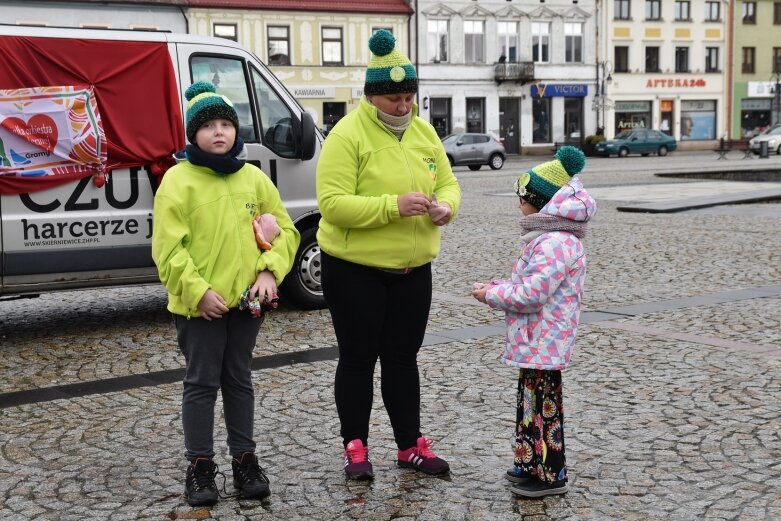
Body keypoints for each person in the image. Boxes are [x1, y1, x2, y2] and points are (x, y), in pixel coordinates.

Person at [316, 29, 462, 481]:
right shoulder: (347, 134)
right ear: (372, 97)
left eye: (409, 97)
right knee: (358, 358)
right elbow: (332, 203)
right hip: (354, 268)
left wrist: (445, 208)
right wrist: (390, 206)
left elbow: (449, 184)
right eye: (394, 98)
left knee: (403, 357)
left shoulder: (422, 132)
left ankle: (409, 445)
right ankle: (355, 446)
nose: (403, 106)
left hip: (413, 268)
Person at [152, 81, 300, 506]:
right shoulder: (178, 182)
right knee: (201, 383)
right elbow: (168, 249)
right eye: (209, 125)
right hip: (200, 308)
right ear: (192, 134)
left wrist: (270, 273)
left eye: (226, 124)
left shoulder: (253, 178)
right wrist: (197, 292)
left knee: (239, 379)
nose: (219, 132)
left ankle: (244, 459)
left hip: (246, 303)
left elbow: (285, 230)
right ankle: (200, 466)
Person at [471, 146, 596, 498]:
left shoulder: (554, 243)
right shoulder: (548, 238)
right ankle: (529, 461)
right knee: (530, 403)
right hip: (536, 339)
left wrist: (490, 295)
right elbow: (530, 287)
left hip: (543, 339)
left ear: (541, 202)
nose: (518, 204)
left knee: (544, 409)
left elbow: (531, 295)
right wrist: (498, 286)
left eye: (522, 197)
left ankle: (550, 473)